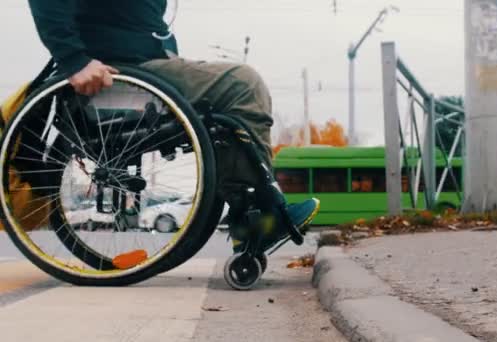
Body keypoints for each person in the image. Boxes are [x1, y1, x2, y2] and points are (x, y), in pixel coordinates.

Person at [27, 0, 320, 253]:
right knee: (243, 84)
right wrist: (74, 60)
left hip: (143, 65)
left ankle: (254, 216)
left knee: (231, 99)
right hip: (120, 73)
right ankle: (257, 217)